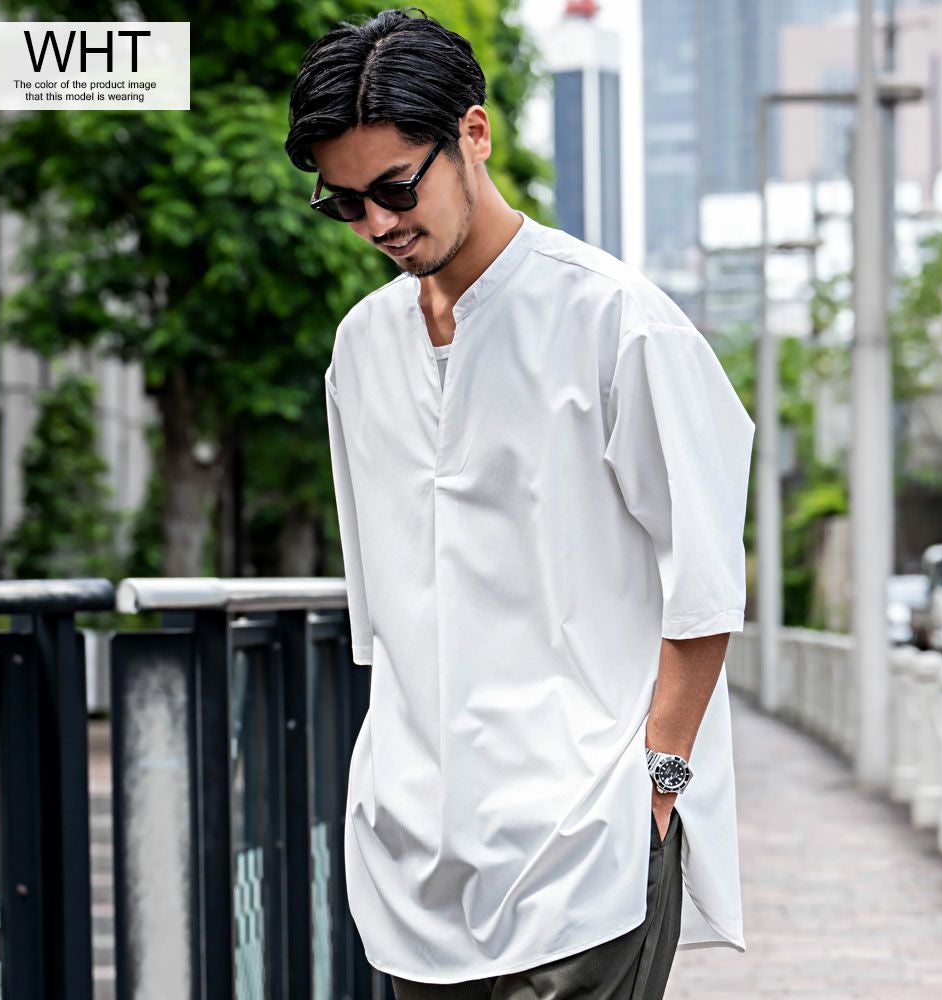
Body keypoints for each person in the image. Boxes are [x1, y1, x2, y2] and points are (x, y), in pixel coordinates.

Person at [284, 8, 754, 998]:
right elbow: (381, 605)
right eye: (345, 204)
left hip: (587, 849)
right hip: (414, 857)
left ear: (474, 133)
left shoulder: (618, 323)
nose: (377, 225)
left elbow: (706, 586)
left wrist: (657, 787)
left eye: (395, 188)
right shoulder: (360, 349)